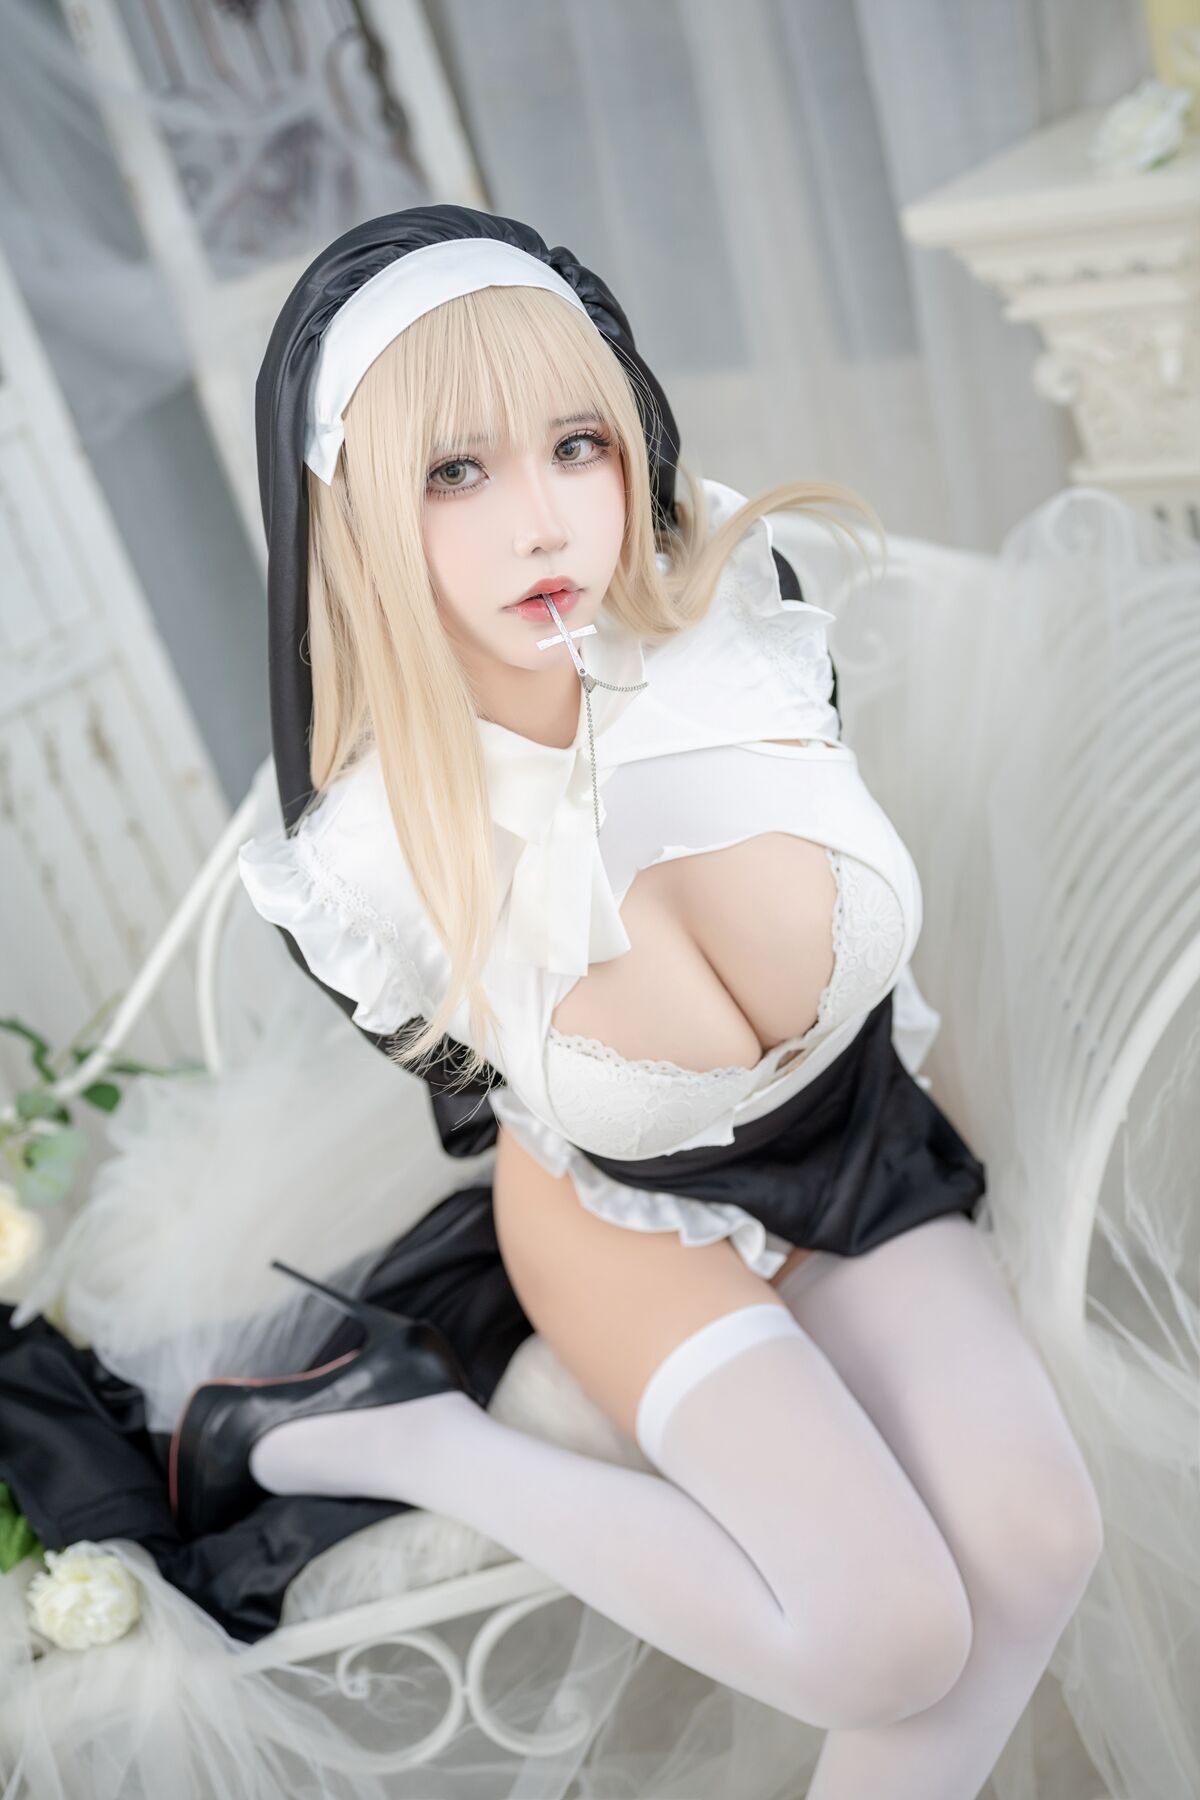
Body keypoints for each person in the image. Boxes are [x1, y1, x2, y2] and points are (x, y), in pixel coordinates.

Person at [162, 206, 1107, 1797]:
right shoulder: (370, 853)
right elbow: (484, 1080)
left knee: (1042, 1537)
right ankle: (424, 1442)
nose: (542, 524)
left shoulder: (734, 617)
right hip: (622, 1214)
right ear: (358, 510)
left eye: (575, 446)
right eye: (453, 472)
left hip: (858, 1140)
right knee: (884, 1639)